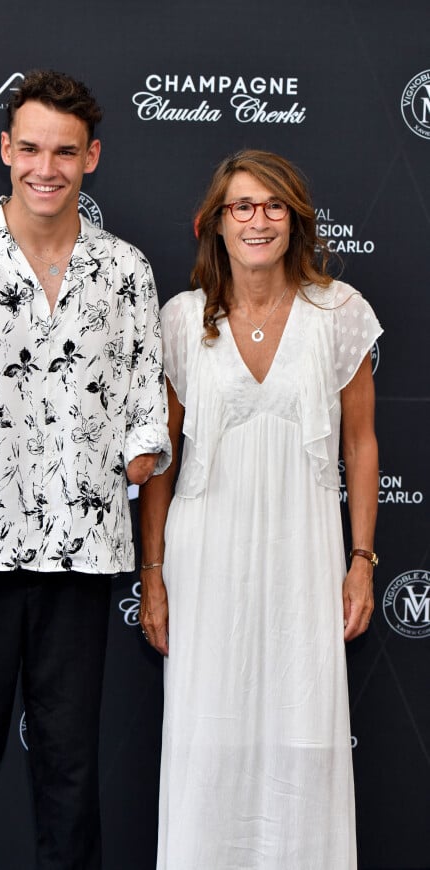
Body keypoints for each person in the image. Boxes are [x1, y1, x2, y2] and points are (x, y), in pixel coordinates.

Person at [0, 69, 170, 870]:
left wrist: (140, 450)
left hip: (82, 554)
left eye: (66, 152)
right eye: (32, 149)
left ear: (93, 158)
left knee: (71, 771)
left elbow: (144, 402)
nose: (46, 168)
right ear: (5, 148)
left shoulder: (125, 272)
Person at [139, 149, 381, 870]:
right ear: (213, 223)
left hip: (304, 560)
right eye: (242, 206)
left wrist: (361, 561)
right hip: (204, 562)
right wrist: (152, 573)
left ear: (296, 220)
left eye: (273, 205)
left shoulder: (339, 312)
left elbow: (362, 446)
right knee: (206, 748)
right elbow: (161, 460)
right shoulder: (181, 321)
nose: (258, 219)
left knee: (302, 741)